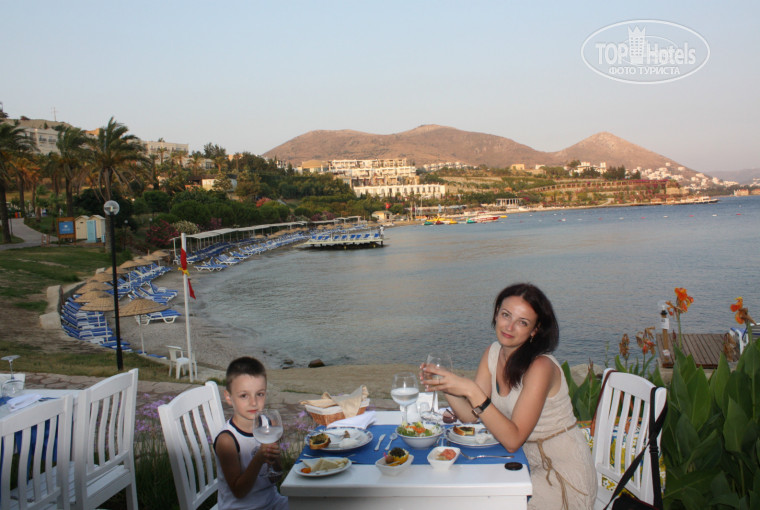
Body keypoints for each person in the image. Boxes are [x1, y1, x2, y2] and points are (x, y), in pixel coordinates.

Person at [421, 283, 596, 510]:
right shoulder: (493, 353)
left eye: (522, 322)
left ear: (534, 330)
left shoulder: (541, 367)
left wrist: (470, 390)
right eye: (506, 315)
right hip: (523, 464)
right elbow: (470, 416)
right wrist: (445, 385)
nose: (510, 327)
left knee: (486, 502)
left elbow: (513, 440)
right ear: (496, 314)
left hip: (561, 475)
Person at [214, 356, 289, 510]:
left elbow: (276, 477)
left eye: (259, 394)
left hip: (272, 501)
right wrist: (259, 459)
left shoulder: (269, 426)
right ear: (228, 397)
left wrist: (274, 461)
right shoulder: (227, 441)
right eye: (244, 395)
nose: (253, 402)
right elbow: (239, 492)